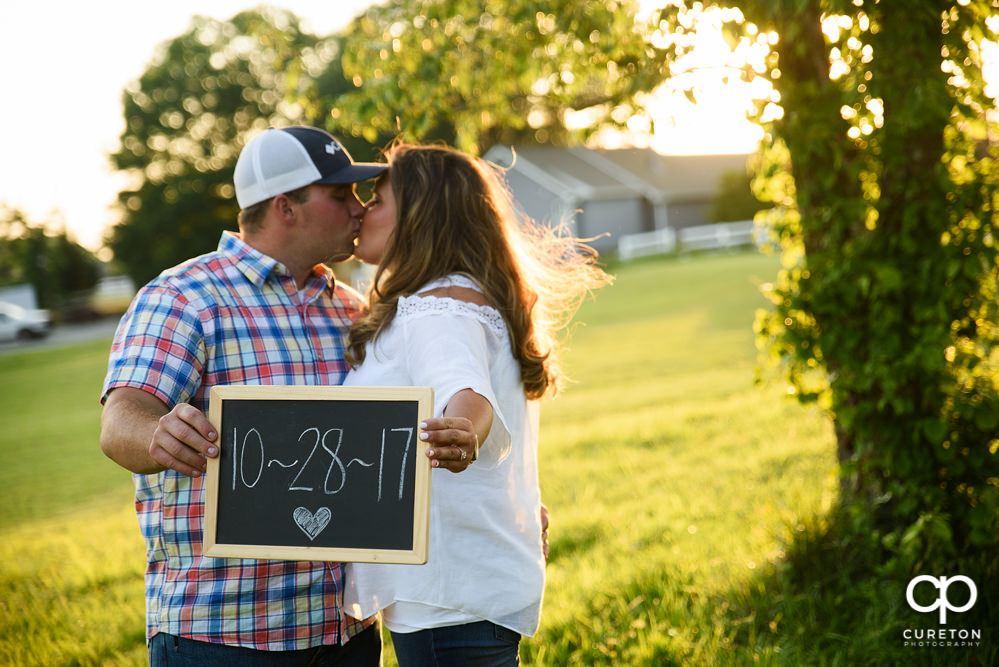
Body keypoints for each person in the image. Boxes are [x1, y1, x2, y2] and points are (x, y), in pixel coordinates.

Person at [99, 126, 478, 665]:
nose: (359, 208)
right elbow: (120, 421)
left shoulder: (354, 310)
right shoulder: (183, 297)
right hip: (223, 633)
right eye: (340, 194)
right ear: (286, 208)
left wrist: (499, 504)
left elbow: (405, 444)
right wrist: (157, 433)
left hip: (345, 633)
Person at [342, 143, 610, 666]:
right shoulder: (455, 296)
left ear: (421, 214)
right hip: (461, 585)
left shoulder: (436, 307)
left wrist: (462, 431)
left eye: (377, 198)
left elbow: (464, 391)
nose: (361, 210)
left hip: (447, 595)